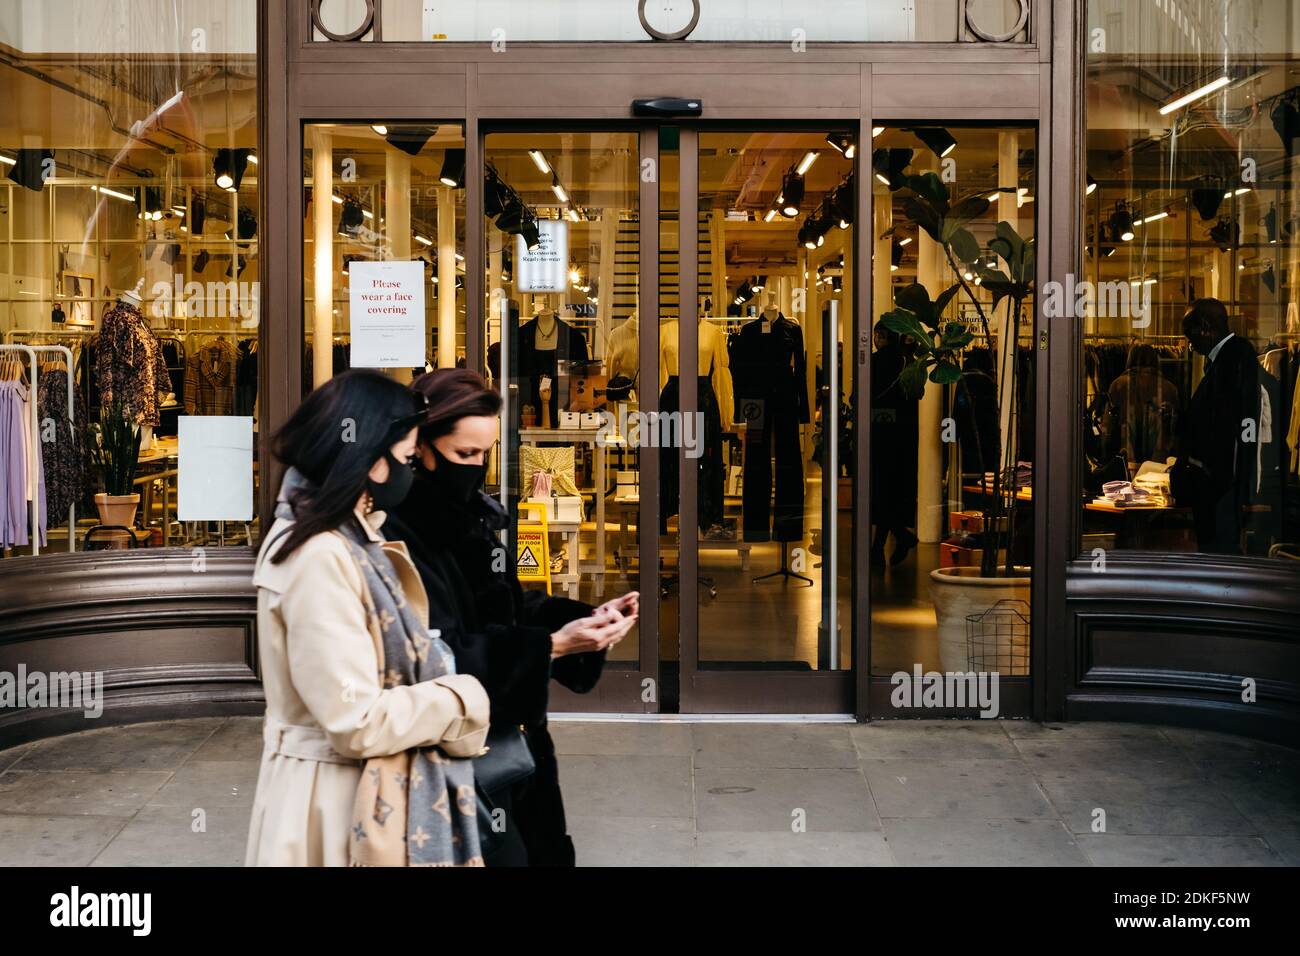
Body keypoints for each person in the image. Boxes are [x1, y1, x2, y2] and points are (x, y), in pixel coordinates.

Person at [383, 368, 638, 866]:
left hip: (513, 743)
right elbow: (435, 658)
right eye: (464, 454)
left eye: (485, 454)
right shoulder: (398, 532)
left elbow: (506, 605)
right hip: (453, 754)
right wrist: (553, 647)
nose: (476, 467)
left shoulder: (468, 517)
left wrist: (586, 621)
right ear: (422, 448)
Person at [246, 369, 492, 867]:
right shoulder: (320, 554)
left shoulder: (345, 536)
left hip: (348, 790)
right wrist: (461, 695)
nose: (409, 472)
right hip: (329, 806)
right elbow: (353, 719)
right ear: (369, 460)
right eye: (405, 458)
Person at [1172, 298, 1268, 554]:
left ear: (1205, 326)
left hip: (1222, 488)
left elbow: (1246, 422)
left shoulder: (1235, 358)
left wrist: (1242, 486)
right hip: (1220, 486)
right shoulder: (1227, 359)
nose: (1189, 343)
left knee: (1220, 556)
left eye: (1188, 332)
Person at [869, 322, 919, 566]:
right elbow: (916, 396)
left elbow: (862, 395)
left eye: (878, 334)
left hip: (879, 432)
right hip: (904, 435)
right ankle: (886, 543)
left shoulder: (875, 362)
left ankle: (891, 541)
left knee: (881, 489)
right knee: (893, 490)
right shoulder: (908, 362)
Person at [1103, 343, 1180, 464]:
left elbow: (1107, 425)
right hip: (1159, 458)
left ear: (1130, 359)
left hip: (1125, 455)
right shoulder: (1169, 388)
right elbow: (1175, 428)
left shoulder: (1118, 384)